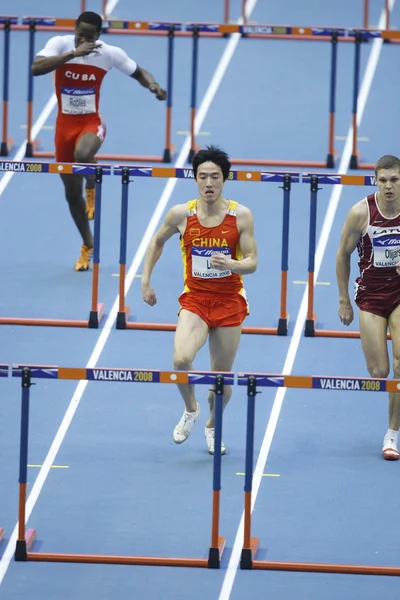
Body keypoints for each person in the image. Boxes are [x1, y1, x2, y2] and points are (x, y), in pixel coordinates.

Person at [141, 145, 258, 455]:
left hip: (229, 302)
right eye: (203, 177)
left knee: (221, 384)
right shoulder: (181, 214)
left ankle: (212, 424)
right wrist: (145, 281)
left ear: (225, 180)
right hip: (195, 300)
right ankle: (191, 409)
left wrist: (231, 264)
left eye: (215, 177)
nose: (209, 183)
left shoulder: (240, 215)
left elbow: (253, 261)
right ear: (194, 179)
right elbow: (156, 242)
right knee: (180, 361)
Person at [31, 11, 167, 271]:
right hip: (64, 127)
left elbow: (139, 71)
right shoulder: (60, 44)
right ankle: (87, 243)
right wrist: (72, 53)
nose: (83, 39)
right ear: (74, 29)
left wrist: (153, 85)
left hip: (90, 123)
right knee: (71, 195)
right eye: (80, 34)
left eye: (89, 37)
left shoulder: (109, 53)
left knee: (83, 155)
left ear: (98, 36)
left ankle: (92, 185)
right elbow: (36, 68)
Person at [336, 154, 400, 461]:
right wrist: (344, 300)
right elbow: (342, 255)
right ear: (375, 181)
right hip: (371, 297)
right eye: (383, 180)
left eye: (395, 180)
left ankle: (391, 434)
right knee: (380, 370)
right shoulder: (361, 212)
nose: (389, 186)